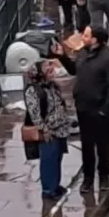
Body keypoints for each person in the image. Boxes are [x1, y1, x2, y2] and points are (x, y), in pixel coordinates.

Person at [55, 26, 109, 193]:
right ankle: (88, 178)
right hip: (83, 108)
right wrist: (61, 56)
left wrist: (105, 109)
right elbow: (73, 69)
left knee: (103, 145)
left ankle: (104, 175)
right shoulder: (82, 53)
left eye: (86, 35)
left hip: (100, 109)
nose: (82, 37)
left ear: (95, 40)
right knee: (87, 145)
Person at [24, 59, 71, 199]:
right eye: (49, 71)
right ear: (40, 74)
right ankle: (48, 190)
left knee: (57, 159)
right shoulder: (33, 91)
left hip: (60, 129)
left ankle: (55, 185)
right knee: (48, 160)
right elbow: (35, 114)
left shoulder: (52, 86)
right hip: (49, 132)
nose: (53, 73)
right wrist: (44, 130)